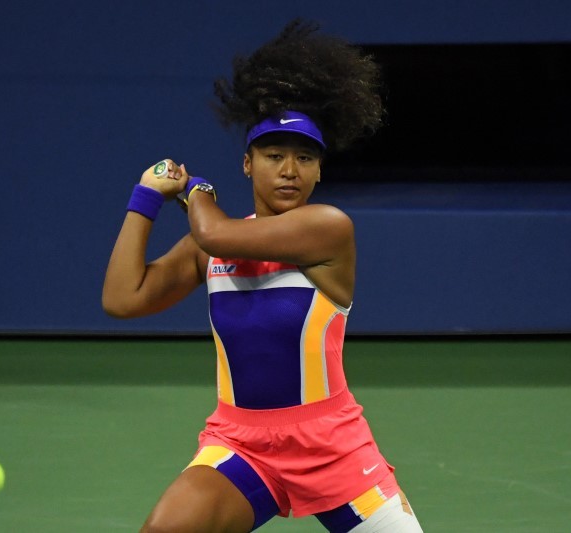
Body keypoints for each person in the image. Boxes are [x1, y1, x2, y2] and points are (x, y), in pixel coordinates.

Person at [103, 19, 423, 533]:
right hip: (241, 444)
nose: (290, 170)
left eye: (304, 158)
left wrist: (195, 191)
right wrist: (144, 198)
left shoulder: (327, 229)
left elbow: (213, 234)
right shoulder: (212, 246)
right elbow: (123, 298)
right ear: (248, 164)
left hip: (333, 448)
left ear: (320, 172)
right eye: (274, 157)